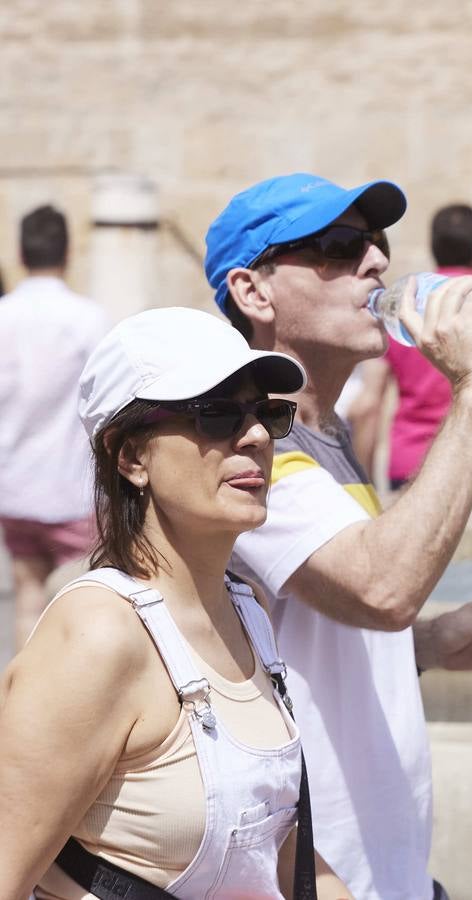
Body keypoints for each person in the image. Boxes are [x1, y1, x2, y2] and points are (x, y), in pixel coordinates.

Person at [205, 173, 472, 900]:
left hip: (388, 873)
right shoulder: (252, 450)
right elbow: (383, 586)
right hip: (317, 878)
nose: (376, 264)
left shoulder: (329, 433)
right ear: (253, 292)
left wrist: (429, 643)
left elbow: (315, 633)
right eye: (337, 247)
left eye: (378, 243)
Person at [0, 307, 352, 897]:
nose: (258, 436)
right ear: (130, 456)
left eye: (267, 412)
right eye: (215, 415)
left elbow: (285, 858)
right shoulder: (99, 634)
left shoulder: (247, 613)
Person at [349, 203, 472, 489]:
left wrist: (363, 488)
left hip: (410, 468)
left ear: (433, 248)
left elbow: (368, 406)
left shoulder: (402, 310)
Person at [0, 205, 109, 647]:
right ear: (68, 252)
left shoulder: (4, 314)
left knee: (27, 598)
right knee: (80, 605)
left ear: (20, 253)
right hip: (71, 490)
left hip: (15, 487)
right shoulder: (88, 318)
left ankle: (20, 699)